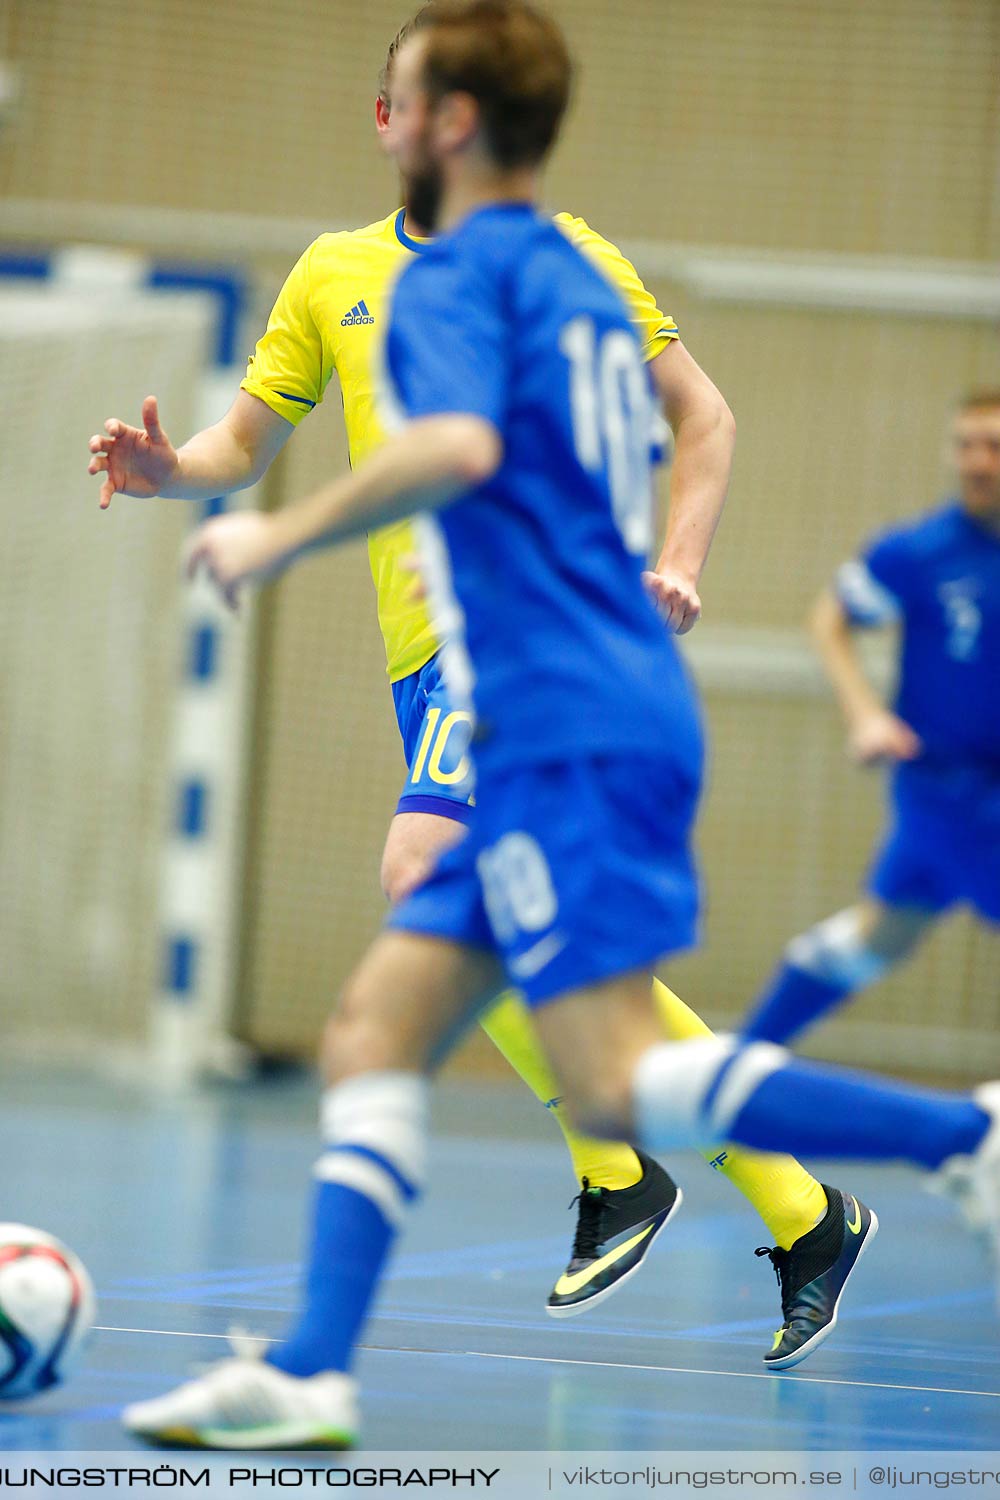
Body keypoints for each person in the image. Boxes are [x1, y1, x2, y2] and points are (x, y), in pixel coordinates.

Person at [119, 1, 1000, 1450]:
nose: (388, 121)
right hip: (544, 681)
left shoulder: (483, 273)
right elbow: (277, 437)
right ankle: (330, 1361)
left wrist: (277, 543)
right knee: (386, 1031)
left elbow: (464, 448)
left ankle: (891, 1149)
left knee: (430, 905)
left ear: (450, 121)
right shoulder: (482, 276)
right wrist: (184, 476)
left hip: (542, 685)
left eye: (405, 94)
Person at [738, 390, 1000, 1049]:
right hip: (942, 785)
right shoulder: (922, 551)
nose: (976, 461)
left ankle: (734, 1069)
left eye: (993, 446)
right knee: (883, 933)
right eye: (965, 444)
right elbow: (830, 617)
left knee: (883, 933)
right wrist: (865, 715)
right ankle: (734, 1073)